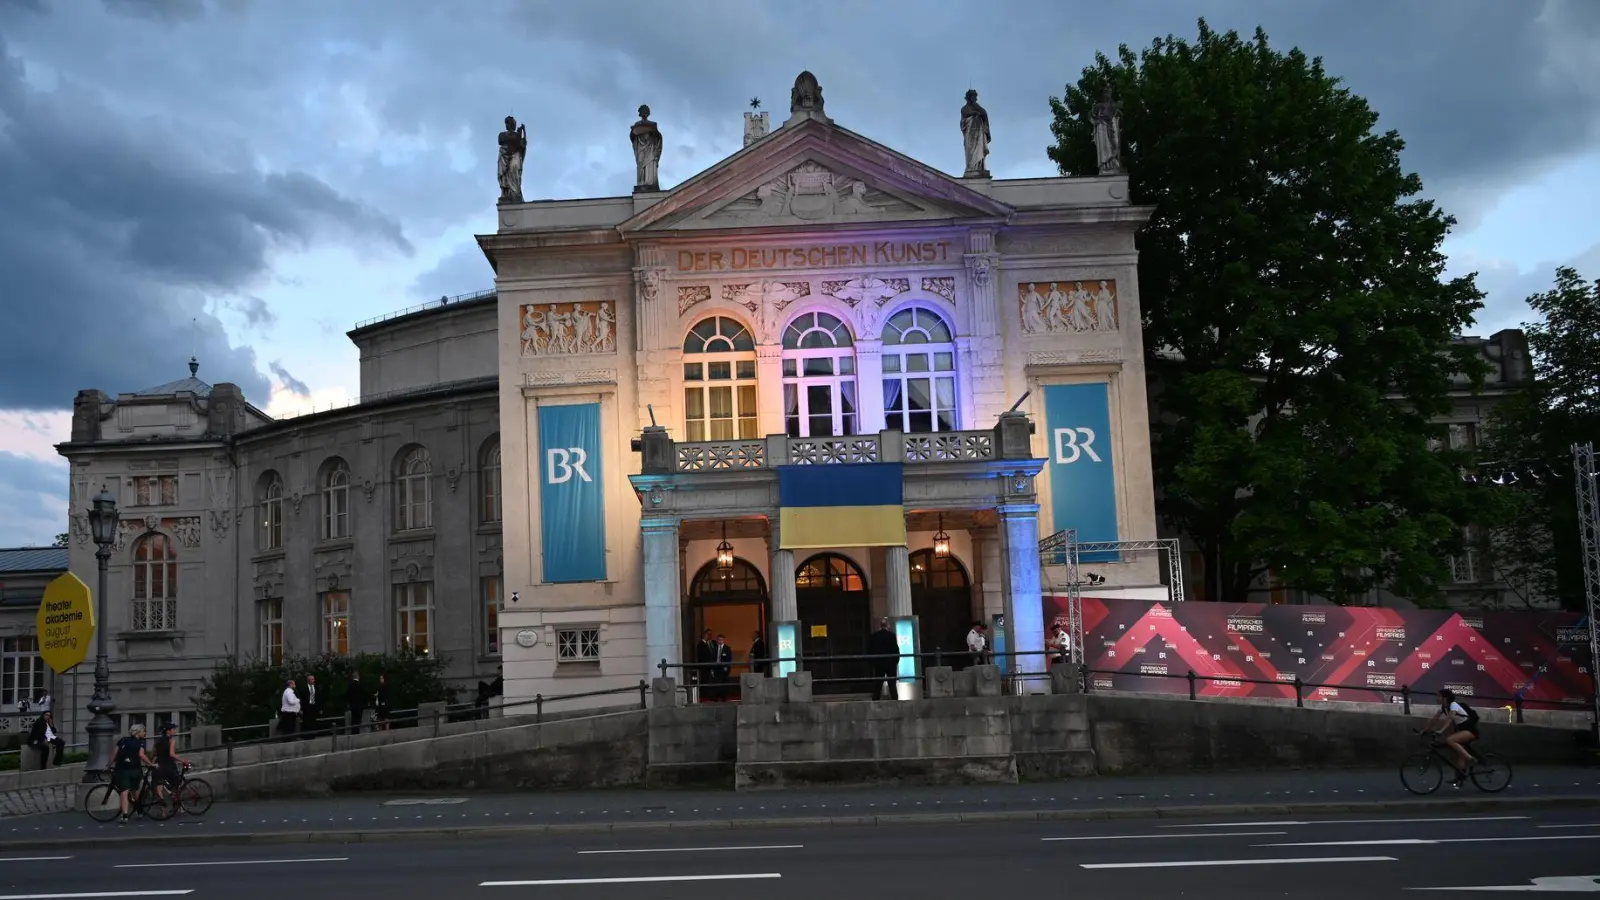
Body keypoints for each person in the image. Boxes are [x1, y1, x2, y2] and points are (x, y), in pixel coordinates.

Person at [1423, 688, 1480, 782]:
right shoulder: (1443, 708)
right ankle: (1460, 776)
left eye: (1438, 696)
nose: (1436, 698)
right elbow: (1434, 719)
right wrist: (1424, 730)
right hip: (1461, 730)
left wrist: (1441, 730)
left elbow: (1450, 718)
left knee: (1450, 740)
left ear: (1445, 698)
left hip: (1470, 730)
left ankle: (1470, 759)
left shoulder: (1453, 705)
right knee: (1460, 753)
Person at [111, 724, 153, 823]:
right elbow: (141, 755)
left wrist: (109, 765)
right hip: (135, 769)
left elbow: (114, 753)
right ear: (138, 732)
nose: (145, 733)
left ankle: (125, 815)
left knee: (124, 791)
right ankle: (139, 810)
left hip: (122, 769)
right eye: (144, 731)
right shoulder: (141, 742)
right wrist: (151, 764)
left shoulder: (123, 740)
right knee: (136, 790)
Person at [151, 722, 188, 805]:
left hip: (159, 765)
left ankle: (163, 812)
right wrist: (182, 760)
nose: (175, 730)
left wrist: (150, 762)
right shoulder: (171, 740)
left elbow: (154, 754)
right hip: (169, 765)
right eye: (173, 729)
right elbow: (172, 754)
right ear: (168, 731)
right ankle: (178, 806)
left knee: (159, 788)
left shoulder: (157, 741)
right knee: (176, 784)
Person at [868, 618, 899, 701]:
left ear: (880, 626)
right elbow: (896, 650)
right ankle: (895, 701)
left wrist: (873, 663)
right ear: (888, 626)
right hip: (890, 664)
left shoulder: (874, 636)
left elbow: (870, 650)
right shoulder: (892, 635)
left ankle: (875, 701)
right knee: (892, 685)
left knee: (877, 684)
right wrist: (896, 661)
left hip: (879, 663)